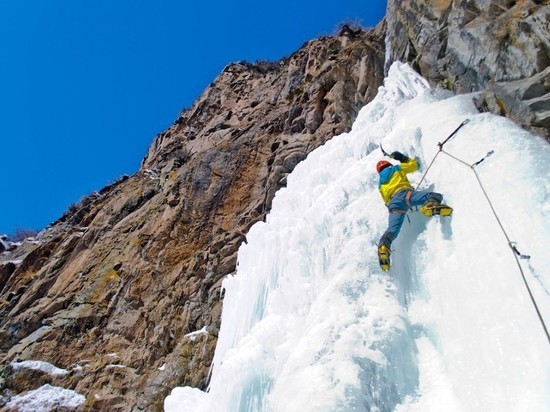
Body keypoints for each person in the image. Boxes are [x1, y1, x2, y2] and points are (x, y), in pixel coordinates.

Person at [376, 151, 452, 270]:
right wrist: (403, 158)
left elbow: (385, 201)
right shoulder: (396, 169)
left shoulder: (380, 184)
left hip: (394, 206)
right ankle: (429, 206)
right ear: (388, 165)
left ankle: (383, 247)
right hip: (406, 195)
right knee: (435, 196)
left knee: (392, 230)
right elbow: (415, 165)